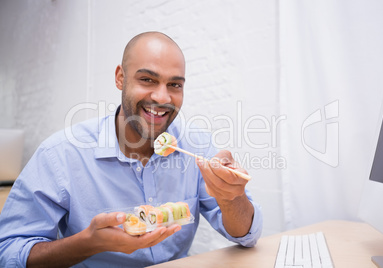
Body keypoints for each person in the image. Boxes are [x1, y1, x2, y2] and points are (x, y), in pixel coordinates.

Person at [0, 32, 262, 267]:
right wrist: (89, 243)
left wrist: (232, 198)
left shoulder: (197, 146)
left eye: (175, 85)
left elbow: (247, 236)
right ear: (120, 78)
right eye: (147, 79)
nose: (162, 98)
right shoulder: (61, 154)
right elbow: (8, 252)